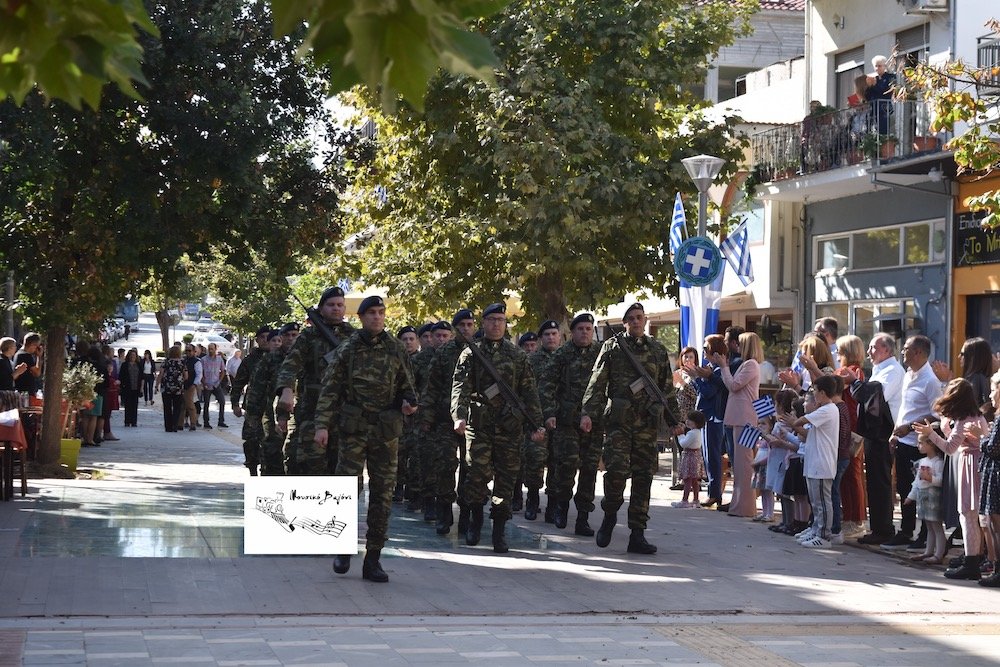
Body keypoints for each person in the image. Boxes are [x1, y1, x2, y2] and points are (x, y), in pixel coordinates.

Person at [313, 295, 417, 583]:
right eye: (371, 313)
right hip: (354, 430)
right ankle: (343, 548)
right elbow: (330, 389)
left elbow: (408, 386)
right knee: (345, 491)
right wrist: (322, 425)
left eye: (381, 312)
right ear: (360, 317)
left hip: (385, 432)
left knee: (383, 494)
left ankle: (373, 559)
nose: (376, 317)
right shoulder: (348, 349)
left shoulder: (396, 348)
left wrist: (409, 403)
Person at [581, 302, 682, 554]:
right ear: (624, 322)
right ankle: (610, 515)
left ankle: (637, 533)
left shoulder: (657, 350)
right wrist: (588, 413)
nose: (636, 322)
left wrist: (674, 420)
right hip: (619, 424)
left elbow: (666, 389)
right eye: (631, 318)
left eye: (640, 317)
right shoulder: (613, 347)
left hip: (647, 424)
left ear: (645, 320)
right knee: (615, 472)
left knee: (643, 477)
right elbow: (597, 383)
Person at [452, 302, 545, 553]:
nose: (496, 324)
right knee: (476, 475)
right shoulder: (471, 353)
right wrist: (458, 416)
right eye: (491, 319)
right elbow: (460, 388)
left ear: (505, 324)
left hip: (509, 427)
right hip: (479, 426)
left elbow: (529, 392)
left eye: (500, 320)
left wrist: (536, 424)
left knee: (506, 479)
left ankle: (499, 530)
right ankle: (475, 520)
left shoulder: (517, 356)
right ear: (484, 323)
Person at [913, 379, 988, 579]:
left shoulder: (965, 421)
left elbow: (949, 448)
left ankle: (972, 562)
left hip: (970, 465)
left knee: (968, 515)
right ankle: (974, 557)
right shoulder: (973, 416)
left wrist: (932, 434)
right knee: (972, 515)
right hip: (972, 464)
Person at [276, 286, 354, 475]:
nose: (336, 308)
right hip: (312, 409)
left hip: (345, 411)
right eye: (330, 305)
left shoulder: (354, 336)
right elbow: (290, 364)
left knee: (344, 469)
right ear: (321, 309)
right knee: (311, 466)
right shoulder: (308, 337)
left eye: (340, 305)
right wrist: (286, 390)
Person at [536, 312, 603, 535]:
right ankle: (561, 507)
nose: (584, 332)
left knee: (589, 470)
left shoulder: (600, 353)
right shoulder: (562, 355)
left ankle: (583, 516)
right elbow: (546, 385)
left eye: (588, 328)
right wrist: (549, 413)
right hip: (567, 422)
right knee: (566, 467)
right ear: (572, 332)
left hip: (594, 421)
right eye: (580, 329)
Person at [883, 335, 941, 551]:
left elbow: (937, 415)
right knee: (905, 489)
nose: (902, 352)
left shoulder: (930, 381)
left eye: (906, 349)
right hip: (903, 441)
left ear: (918, 352)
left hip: (920, 443)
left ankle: (925, 535)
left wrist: (910, 427)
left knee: (923, 489)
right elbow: (904, 409)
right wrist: (896, 433)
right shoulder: (908, 375)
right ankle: (906, 531)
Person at [419, 312, 476, 533]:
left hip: (475, 421)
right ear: (455, 329)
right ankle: (444, 512)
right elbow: (431, 387)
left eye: (469, 324)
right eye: (461, 325)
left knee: (471, 468)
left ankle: (466, 513)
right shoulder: (443, 353)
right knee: (445, 466)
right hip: (445, 419)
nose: (465, 328)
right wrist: (427, 417)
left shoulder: (481, 352)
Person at [848, 333, 904, 544]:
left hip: (884, 434)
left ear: (887, 350)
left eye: (873, 347)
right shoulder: (881, 369)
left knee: (881, 481)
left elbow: (875, 396)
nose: (869, 352)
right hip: (874, 433)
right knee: (873, 481)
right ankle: (878, 527)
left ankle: (884, 529)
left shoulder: (893, 371)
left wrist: (855, 383)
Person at [707, 332, 763, 518]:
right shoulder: (749, 364)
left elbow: (733, 385)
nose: (736, 346)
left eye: (740, 343)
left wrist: (723, 367)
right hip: (741, 418)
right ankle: (739, 505)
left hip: (745, 419)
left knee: (745, 464)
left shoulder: (751, 365)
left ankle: (745, 507)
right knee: (740, 465)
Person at [782, 374, 841, 548]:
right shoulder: (823, 410)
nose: (813, 394)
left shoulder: (828, 409)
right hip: (814, 462)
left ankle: (824, 536)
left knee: (823, 502)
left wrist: (793, 422)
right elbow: (807, 433)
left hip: (822, 464)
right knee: (815, 501)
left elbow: (800, 420)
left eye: (815, 391)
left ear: (822, 393)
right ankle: (816, 529)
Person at [684, 334, 729, 509]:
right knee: (707, 457)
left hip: (713, 417)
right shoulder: (710, 369)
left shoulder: (717, 371)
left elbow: (709, 393)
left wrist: (697, 378)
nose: (703, 351)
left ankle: (714, 494)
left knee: (713, 457)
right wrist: (696, 378)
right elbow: (702, 391)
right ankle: (713, 493)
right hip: (706, 416)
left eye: (705, 348)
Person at [833, 335, 868, 539]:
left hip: (851, 430)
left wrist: (812, 367)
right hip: (843, 428)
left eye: (839, 351)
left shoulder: (852, 371)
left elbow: (831, 386)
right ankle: (849, 517)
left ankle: (856, 520)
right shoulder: (848, 371)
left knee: (852, 474)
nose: (837, 355)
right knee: (846, 476)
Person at [527, 319, 560, 524]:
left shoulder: (565, 357)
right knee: (535, 462)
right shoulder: (531, 360)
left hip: (561, 419)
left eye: (554, 334)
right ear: (541, 339)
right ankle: (532, 500)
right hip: (537, 419)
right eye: (546, 334)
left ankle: (553, 506)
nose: (550, 337)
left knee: (558, 463)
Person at [973, 369, 1000, 587]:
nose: (990, 395)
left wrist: (982, 438)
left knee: (995, 525)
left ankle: (997, 569)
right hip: (993, 473)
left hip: (995, 475)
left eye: (993, 390)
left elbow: (993, 448)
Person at [232, 326, 271, 476]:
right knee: (251, 441)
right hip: (254, 408)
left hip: (273, 408)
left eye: (269, 337)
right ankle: (253, 470)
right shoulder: (250, 360)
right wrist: (235, 403)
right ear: (257, 340)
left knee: (271, 444)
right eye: (263, 337)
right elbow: (238, 383)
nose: (266, 340)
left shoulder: (282, 358)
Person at [905, 429, 946, 564]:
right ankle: (928, 551)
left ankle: (939, 553)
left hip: (933, 496)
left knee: (937, 526)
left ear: (931, 444)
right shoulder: (922, 461)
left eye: (921, 443)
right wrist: (911, 496)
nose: (918, 446)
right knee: (929, 526)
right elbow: (917, 482)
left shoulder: (938, 462)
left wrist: (931, 479)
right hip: (923, 497)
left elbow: (941, 480)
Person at [671, 411, 706, 509]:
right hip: (696, 456)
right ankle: (696, 500)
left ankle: (685, 500)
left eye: (690, 420)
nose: (687, 421)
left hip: (689, 456)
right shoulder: (698, 432)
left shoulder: (691, 433)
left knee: (687, 480)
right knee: (695, 480)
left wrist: (680, 434)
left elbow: (683, 444)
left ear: (696, 423)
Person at [156, 346, 186, 433]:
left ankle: (168, 427)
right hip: (178, 388)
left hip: (166, 387)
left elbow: (160, 374)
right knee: (177, 408)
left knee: (167, 407)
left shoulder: (166, 362)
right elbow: (186, 375)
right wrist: (181, 381)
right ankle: (175, 426)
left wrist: (156, 385)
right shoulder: (182, 362)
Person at [200, 343, 228, 429]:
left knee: (222, 401)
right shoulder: (203, 360)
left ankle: (221, 421)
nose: (210, 350)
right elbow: (201, 372)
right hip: (207, 384)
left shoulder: (219, 359)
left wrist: (219, 381)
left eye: (212, 349)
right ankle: (206, 422)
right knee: (206, 403)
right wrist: (204, 383)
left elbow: (223, 371)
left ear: (215, 349)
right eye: (209, 349)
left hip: (216, 384)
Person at [867, 55, 895, 137]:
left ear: (884, 66)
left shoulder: (890, 77)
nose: (877, 68)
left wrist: (874, 85)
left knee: (883, 131)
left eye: (879, 66)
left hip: (884, 109)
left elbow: (886, 91)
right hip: (873, 109)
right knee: (871, 131)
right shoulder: (874, 78)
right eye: (875, 66)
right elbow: (869, 96)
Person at [118, 349, 142, 427]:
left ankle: (134, 421)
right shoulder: (125, 365)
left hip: (136, 387)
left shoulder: (138, 365)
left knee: (135, 405)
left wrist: (141, 388)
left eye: (134, 355)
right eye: (131, 355)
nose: (132, 357)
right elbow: (121, 376)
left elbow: (142, 377)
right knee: (127, 405)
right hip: (127, 387)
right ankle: (127, 421)